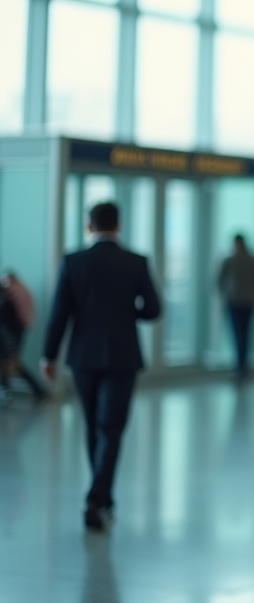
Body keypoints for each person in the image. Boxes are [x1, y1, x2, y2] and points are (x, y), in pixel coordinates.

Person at [40, 202, 162, 532]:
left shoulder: (74, 261)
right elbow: (153, 309)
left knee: (94, 425)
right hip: (123, 356)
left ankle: (99, 495)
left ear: (89, 226)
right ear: (119, 225)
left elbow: (59, 313)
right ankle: (99, 498)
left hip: (84, 356)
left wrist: (48, 356)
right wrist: (127, 312)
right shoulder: (136, 262)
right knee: (111, 428)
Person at [217, 234, 254, 382]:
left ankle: (241, 368)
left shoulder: (230, 260)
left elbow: (219, 281)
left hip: (236, 302)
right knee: (244, 335)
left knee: (239, 336)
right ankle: (243, 368)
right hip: (247, 301)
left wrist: (226, 295)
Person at [0, 270, 48, 403]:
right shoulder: (22, 288)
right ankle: (8, 390)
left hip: (13, 333)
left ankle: (35, 390)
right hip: (18, 331)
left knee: (11, 362)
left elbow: (8, 316)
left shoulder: (13, 291)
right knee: (10, 362)